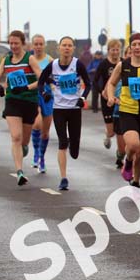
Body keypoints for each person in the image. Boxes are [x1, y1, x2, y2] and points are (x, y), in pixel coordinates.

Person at [105, 32, 140, 188]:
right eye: (134, 44)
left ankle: (136, 180)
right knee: (133, 144)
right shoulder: (123, 65)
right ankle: (128, 160)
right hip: (127, 110)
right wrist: (111, 97)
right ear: (130, 47)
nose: (137, 47)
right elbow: (111, 83)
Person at [37, 36, 91, 191]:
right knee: (62, 142)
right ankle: (63, 178)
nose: (66, 48)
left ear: (73, 48)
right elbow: (41, 82)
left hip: (74, 109)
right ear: (59, 48)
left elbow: (89, 83)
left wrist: (82, 97)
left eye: (69, 45)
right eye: (64, 45)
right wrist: (45, 93)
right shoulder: (53, 65)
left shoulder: (77, 64)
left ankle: (73, 145)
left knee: (74, 151)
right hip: (59, 109)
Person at [0, 30, 43, 185]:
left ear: (22, 43)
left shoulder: (30, 59)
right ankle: (20, 172)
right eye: (11, 43)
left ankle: (24, 148)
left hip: (29, 102)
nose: (13, 46)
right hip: (12, 101)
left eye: (16, 43)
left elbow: (42, 79)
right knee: (15, 137)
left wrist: (27, 87)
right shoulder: (6, 60)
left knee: (24, 141)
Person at [30, 34, 53, 173]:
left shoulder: (49, 60)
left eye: (40, 44)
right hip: (34, 95)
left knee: (45, 132)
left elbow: (55, 77)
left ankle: (42, 158)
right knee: (36, 124)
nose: (38, 47)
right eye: (36, 44)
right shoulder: (29, 60)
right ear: (32, 46)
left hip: (47, 96)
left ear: (44, 45)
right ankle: (36, 153)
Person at [95, 40, 122, 155]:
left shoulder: (124, 63)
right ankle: (108, 135)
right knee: (112, 132)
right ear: (108, 51)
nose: (115, 52)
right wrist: (102, 92)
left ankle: (120, 151)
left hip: (120, 100)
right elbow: (95, 81)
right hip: (107, 100)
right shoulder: (104, 64)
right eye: (113, 50)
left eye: (117, 50)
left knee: (121, 129)